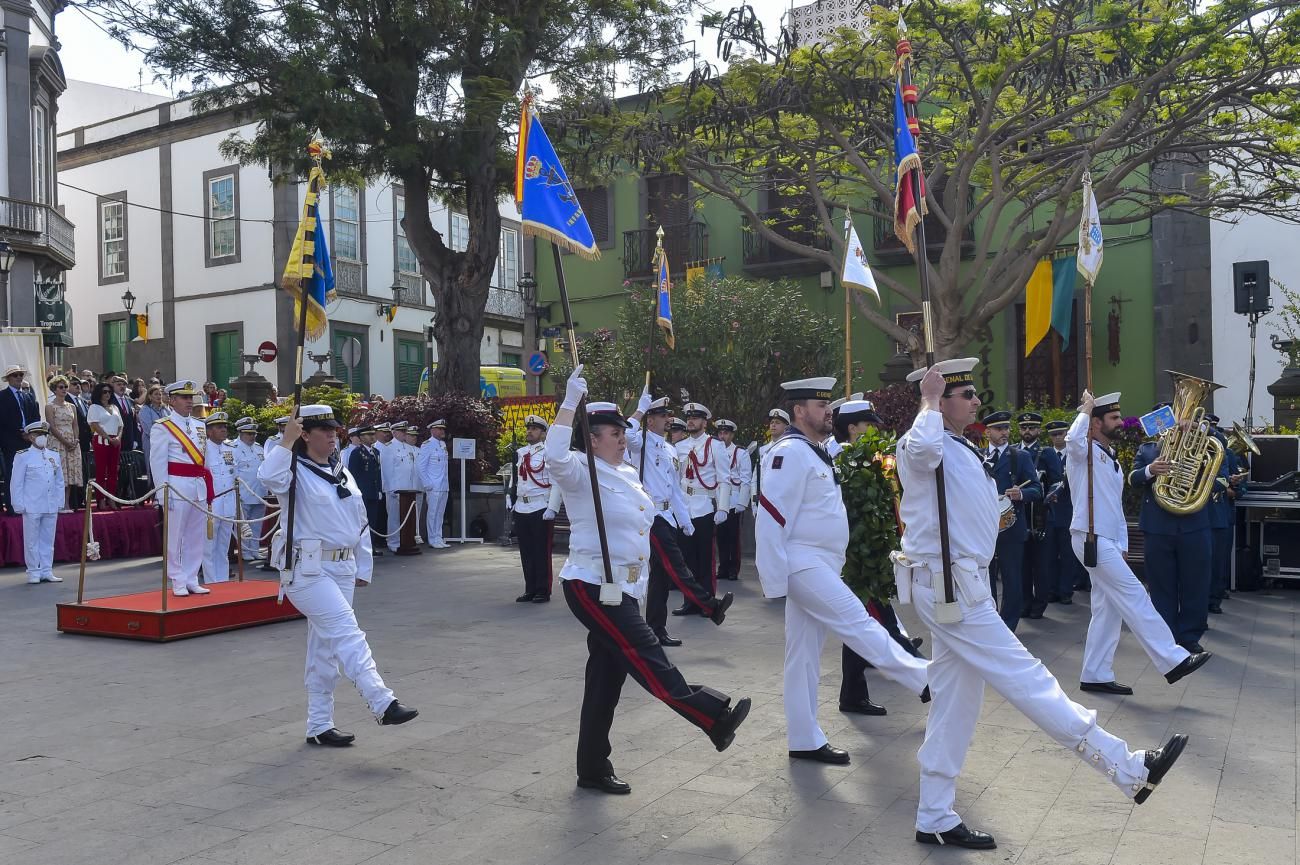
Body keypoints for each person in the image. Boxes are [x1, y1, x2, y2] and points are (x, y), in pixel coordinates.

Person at [894, 359, 1188, 850]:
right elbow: (923, 449)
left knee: (954, 704)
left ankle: (934, 816)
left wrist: (996, 517)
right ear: (938, 401)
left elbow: (970, 507)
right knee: (1030, 680)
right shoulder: (919, 442)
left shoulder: (961, 447)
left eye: (971, 393)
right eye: (961, 394)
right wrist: (925, 398)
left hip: (961, 584)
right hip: (952, 591)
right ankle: (1128, 767)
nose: (974, 401)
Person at [548, 366, 751, 794]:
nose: (623, 440)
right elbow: (554, 457)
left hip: (624, 587)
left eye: (623, 433)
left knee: (606, 681)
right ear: (591, 438)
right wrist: (569, 405)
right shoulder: (580, 470)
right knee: (646, 655)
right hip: (591, 584)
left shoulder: (624, 472)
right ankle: (710, 717)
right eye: (614, 434)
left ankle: (592, 768)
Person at [754, 377, 930, 765]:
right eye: (821, 406)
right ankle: (925, 679)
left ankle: (803, 738)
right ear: (800, 411)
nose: (828, 411)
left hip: (821, 562)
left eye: (829, 404)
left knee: (803, 656)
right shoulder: (789, 452)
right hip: (803, 562)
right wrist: (772, 579)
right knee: (859, 623)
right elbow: (771, 516)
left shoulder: (814, 451)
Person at [258, 404, 419, 746]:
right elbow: (267, 478)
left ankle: (319, 724)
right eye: (324, 430)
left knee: (325, 649)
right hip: (307, 569)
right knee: (346, 631)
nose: (334, 435)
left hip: (342, 568)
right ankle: (382, 700)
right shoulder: (292, 470)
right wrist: (284, 442)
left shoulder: (341, 471)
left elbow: (358, 520)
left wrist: (363, 566)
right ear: (305, 435)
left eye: (335, 429)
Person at [1067, 392, 1211, 695]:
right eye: (1114, 418)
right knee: (1135, 596)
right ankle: (1172, 660)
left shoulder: (1108, 456)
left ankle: (1095, 673)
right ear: (1095, 424)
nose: (1121, 422)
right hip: (1090, 537)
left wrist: (1121, 542)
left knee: (1107, 610)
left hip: (1106, 539)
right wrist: (1085, 410)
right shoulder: (1083, 452)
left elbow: (1114, 507)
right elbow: (1072, 441)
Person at [832, 398, 926, 717]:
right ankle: (927, 681)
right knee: (880, 623)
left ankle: (852, 695)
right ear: (852, 428)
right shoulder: (840, 459)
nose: (875, 430)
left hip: (871, 555)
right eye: (869, 425)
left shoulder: (868, 457)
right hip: (854, 559)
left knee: (862, 625)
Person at [625, 393, 733, 646]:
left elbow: (674, 488)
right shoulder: (639, 442)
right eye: (662, 415)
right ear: (650, 420)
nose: (668, 419)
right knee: (676, 565)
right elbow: (626, 433)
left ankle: (655, 629)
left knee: (661, 580)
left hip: (667, 515)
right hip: (650, 516)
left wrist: (685, 520)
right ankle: (710, 606)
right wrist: (638, 411)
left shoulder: (670, 448)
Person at [1129, 404, 1213, 652]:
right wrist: (1150, 470)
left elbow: (1220, 455)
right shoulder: (1147, 450)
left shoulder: (1202, 445)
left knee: (1195, 583)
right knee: (1160, 585)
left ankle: (1190, 636)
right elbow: (1132, 478)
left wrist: (1199, 429)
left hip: (1194, 525)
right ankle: (1165, 637)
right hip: (1157, 527)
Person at [148, 380, 212, 597]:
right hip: (176, 485)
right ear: (172, 400)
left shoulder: (200, 425)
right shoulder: (162, 427)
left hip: (197, 484)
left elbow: (205, 460)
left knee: (196, 535)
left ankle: (192, 576)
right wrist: (162, 493)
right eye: (184, 398)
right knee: (175, 535)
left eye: (190, 397)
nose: (188, 401)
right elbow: (157, 462)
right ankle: (177, 578)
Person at [983, 410, 1042, 632]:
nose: (1004, 433)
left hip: (1012, 525)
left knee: (1011, 577)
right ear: (987, 432)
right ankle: (989, 621)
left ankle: (1008, 625)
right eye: (999, 429)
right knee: (985, 576)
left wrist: (1021, 494)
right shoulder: (978, 456)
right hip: (985, 525)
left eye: (1006, 428)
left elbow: (1037, 489)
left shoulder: (1020, 456)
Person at [673, 403, 730, 616]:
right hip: (683, 507)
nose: (690, 421)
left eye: (696, 418)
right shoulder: (679, 447)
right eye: (688, 417)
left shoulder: (715, 446)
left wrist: (722, 507)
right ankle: (690, 601)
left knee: (705, 559)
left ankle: (707, 602)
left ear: (704, 422)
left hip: (704, 507)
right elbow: (675, 480)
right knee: (686, 559)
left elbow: (724, 479)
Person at [509, 415, 562, 602]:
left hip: (541, 506)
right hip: (522, 506)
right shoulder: (522, 453)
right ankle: (530, 588)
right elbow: (516, 478)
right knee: (526, 551)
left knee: (541, 551)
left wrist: (553, 508)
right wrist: (511, 496)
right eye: (528, 428)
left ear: (543, 433)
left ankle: (542, 590)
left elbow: (557, 482)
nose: (529, 431)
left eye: (534, 429)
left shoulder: (548, 453)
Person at [1014, 411, 1060, 619]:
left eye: (1031, 428)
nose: (1027, 431)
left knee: (1041, 564)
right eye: (1024, 428)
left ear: (1039, 430)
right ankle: (1024, 602)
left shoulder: (1047, 452)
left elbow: (1058, 481)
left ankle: (1039, 604)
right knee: (1022, 563)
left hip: (1041, 514)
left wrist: (1050, 496)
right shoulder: (1014, 452)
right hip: (1019, 513)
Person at [12, 420, 63, 584]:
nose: (43, 438)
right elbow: (16, 482)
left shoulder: (53, 455)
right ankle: (33, 571)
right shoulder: (23, 456)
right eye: (39, 435)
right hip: (32, 504)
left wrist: (59, 501)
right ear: (31, 437)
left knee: (48, 539)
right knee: (32, 540)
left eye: (45, 435)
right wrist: (18, 504)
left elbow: (59, 481)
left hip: (50, 504)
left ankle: (47, 570)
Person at [1041, 420, 1086, 603]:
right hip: (1050, 511)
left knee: (1068, 554)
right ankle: (1051, 590)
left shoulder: (1075, 455)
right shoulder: (1044, 455)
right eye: (1054, 434)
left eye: (1061, 433)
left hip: (1069, 510)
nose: (1057, 437)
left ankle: (1066, 591)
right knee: (1050, 554)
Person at [1205, 414, 1245, 615]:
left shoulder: (1226, 453)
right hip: (1199, 514)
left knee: (1218, 560)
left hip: (1219, 513)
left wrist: (1234, 488)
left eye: (1212, 428)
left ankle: (1214, 598)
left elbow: (1240, 486)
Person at [202, 412, 238, 584]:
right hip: (212, 503)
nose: (223, 430)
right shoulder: (203, 449)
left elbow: (235, 476)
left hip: (228, 503)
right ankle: (211, 581)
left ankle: (222, 581)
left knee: (223, 547)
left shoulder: (230, 449)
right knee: (209, 547)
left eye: (224, 426)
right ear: (209, 431)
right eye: (219, 427)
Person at [0, 364, 41, 512]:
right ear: (8, 379)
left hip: (28, 441)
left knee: (28, 474)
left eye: (20, 375)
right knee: (12, 474)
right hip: (10, 441)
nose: (18, 377)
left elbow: (36, 417)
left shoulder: (28, 396)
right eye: (15, 375)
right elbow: (3, 419)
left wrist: (33, 433)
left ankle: (27, 504)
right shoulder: (2, 396)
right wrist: (21, 433)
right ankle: (12, 506)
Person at [713, 419, 750, 582]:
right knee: (720, 536)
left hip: (734, 499)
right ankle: (723, 567)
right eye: (720, 433)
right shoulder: (713, 451)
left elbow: (746, 479)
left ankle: (734, 568)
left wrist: (742, 502)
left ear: (732, 434)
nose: (722, 436)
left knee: (733, 537)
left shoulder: (741, 453)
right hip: (718, 497)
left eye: (726, 433)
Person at [232, 417, 267, 562]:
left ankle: (254, 549)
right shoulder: (233, 449)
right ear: (240, 433)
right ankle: (244, 551)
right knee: (243, 525)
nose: (252, 436)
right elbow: (232, 472)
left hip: (259, 493)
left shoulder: (259, 448)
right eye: (248, 434)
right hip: (243, 494)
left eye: (254, 434)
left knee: (256, 524)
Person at [347, 425, 386, 555]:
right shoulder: (356, 453)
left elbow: (378, 473)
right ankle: (360, 548)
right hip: (362, 492)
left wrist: (379, 489)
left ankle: (371, 546)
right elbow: (352, 474)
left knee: (372, 520)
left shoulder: (376, 452)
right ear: (362, 438)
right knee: (362, 522)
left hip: (373, 492)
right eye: (369, 435)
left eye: (373, 434)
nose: (372, 437)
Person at [380, 420, 418, 552]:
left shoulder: (408, 448)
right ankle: (393, 542)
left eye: (405, 431)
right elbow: (387, 471)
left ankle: (406, 541)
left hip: (408, 490)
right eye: (402, 431)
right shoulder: (388, 448)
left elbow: (411, 470)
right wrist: (390, 489)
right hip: (395, 490)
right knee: (394, 518)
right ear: (394, 432)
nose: (404, 434)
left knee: (407, 518)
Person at [45, 376, 81, 512]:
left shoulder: (72, 406)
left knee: (69, 474)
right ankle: (57, 504)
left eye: (65, 386)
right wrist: (65, 442)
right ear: (54, 389)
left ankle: (66, 504)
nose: (64, 389)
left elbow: (75, 425)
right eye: (61, 387)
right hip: (57, 442)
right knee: (59, 473)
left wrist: (75, 440)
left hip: (72, 442)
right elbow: (52, 427)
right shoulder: (49, 406)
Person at [87, 382, 124, 510]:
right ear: (99, 393)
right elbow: (95, 425)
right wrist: (108, 438)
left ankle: (111, 498)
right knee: (101, 471)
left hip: (115, 441)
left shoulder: (114, 407)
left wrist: (118, 437)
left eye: (109, 391)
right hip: (102, 440)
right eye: (104, 391)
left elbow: (121, 425)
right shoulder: (94, 407)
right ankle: (100, 499)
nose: (107, 394)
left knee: (114, 471)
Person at [749, 408, 790, 510]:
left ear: (786, 427)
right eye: (771, 422)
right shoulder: (762, 450)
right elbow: (755, 479)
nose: (773, 425)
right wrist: (754, 505)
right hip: (762, 504)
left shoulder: (790, 449)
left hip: (782, 505)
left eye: (777, 422)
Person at [418, 419, 450, 548]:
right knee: (432, 513)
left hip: (443, 485)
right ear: (432, 430)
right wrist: (427, 484)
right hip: (433, 485)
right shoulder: (427, 445)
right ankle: (432, 539)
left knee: (440, 513)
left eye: (443, 429)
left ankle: (438, 537)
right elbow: (421, 466)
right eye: (439, 429)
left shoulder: (442, 444)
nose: (442, 431)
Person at [138, 384, 171, 466]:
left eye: (160, 394)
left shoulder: (165, 409)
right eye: (156, 394)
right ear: (149, 396)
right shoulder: (145, 410)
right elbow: (149, 430)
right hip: (152, 444)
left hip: (166, 444)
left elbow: (172, 425)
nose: (159, 396)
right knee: (153, 468)